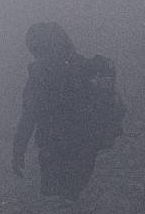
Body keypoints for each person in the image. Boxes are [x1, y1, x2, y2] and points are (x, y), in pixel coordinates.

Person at [11, 22, 103, 199]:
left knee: (58, 197)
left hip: (56, 144)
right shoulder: (81, 65)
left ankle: (71, 212)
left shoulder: (40, 74)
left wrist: (18, 150)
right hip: (85, 140)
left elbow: (29, 115)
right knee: (73, 191)